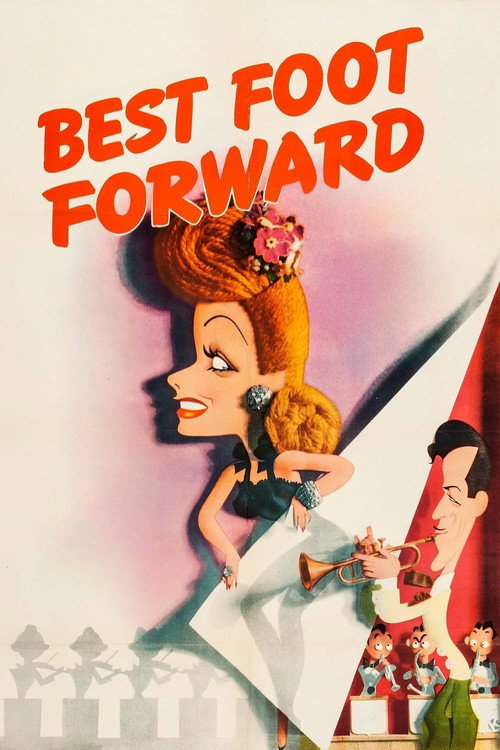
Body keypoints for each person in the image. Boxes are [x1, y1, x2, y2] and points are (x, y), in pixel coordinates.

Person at [153, 196, 354, 749]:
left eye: (217, 360)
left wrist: (308, 496)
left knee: (284, 636)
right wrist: (230, 554)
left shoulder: (283, 460)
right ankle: (282, 724)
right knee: (253, 632)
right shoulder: (239, 470)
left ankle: (293, 723)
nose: (177, 379)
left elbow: (343, 467)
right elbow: (206, 519)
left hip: (310, 561)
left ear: (272, 379)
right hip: (268, 568)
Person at [352, 419, 492, 750]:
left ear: (478, 505)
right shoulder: (438, 580)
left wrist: (388, 575)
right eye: (443, 495)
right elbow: (383, 612)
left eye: (453, 498)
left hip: (453, 686)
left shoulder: (442, 586)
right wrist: (382, 571)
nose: (438, 512)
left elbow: (395, 615)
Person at [403, 624, 445, 696]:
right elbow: (404, 677)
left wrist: (430, 678)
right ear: (409, 643)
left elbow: (443, 681)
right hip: (420, 697)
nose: (421, 646)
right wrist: (412, 672)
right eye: (416, 643)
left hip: (432, 697)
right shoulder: (417, 669)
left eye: (424, 643)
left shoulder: (435, 669)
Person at [358, 623, 399, 696]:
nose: (383, 651)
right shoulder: (362, 668)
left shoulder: (382, 666)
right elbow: (369, 680)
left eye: (388, 646)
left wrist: (388, 668)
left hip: (375, 698)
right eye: (378, 645)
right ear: (366, 645)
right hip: (364, 698)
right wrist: (380, 667)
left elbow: (391, 673)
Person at [465, 621, 498, 694]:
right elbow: (466, 679)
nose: (479, 647)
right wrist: (472, 678)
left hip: (486, 694)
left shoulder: (492, 666)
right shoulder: (471, 666)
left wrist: (487, 682)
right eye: (474, 643)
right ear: (467, 640)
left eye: (484, 644)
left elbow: (495, 681)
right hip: (472, 695)